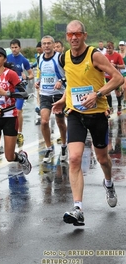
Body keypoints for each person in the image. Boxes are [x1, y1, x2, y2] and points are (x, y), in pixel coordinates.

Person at [52, 20, 124, 226]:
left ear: (85, 35)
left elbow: (118, 78)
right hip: (76, 114)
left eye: (77, 34)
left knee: (102, 159)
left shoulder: (95, 55)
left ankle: (108, 183)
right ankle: (78, 209)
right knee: (74, 158)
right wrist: (64, 99)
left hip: (98, 114)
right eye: (70, 34)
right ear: (66, 37)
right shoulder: (64, 57)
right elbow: (72, 83)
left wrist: (97, 94)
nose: (73, 37)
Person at [0, 46, 32, 202]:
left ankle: (21, 158)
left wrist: (7, 93)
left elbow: (24, 94)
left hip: (10, 117)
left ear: (4, 59)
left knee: (10, 157)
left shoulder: (9, 74)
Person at [35, 35, 68, 163]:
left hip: (59, 95)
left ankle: (64, 145)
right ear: (42, 46)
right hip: (45, 94)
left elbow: (69, 73)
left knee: (60, 122)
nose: (46, 46)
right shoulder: (40, 59)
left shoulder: (60, 57)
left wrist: (61, 80)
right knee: (44, 121)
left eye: (49, 43)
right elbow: (42, 73)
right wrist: (38, 82)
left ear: (53, 45)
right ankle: (49, 148)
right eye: (44, 44)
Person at [6, 39, 34, 146]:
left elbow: (31, 75)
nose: (14, 49)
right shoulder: (7, 58)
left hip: (20, 90)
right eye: (12, 47)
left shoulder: (24, 60)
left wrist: (26, 77)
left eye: (16, 47)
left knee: (18, 111)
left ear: (19, 48)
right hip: (9, 90)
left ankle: (20, 133)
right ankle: (9, 132)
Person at [104, 41, 125, 115]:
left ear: (113, 48)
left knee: (117, 93)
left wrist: (115, 65)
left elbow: (123, 66)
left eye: (110, 48)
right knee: (107, 93)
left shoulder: (117, 55)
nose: (108, 50)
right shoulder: (104, 56)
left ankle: (119, 106)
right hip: (107, 76)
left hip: (116, 77)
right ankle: (110, 107)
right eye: (107, 48)